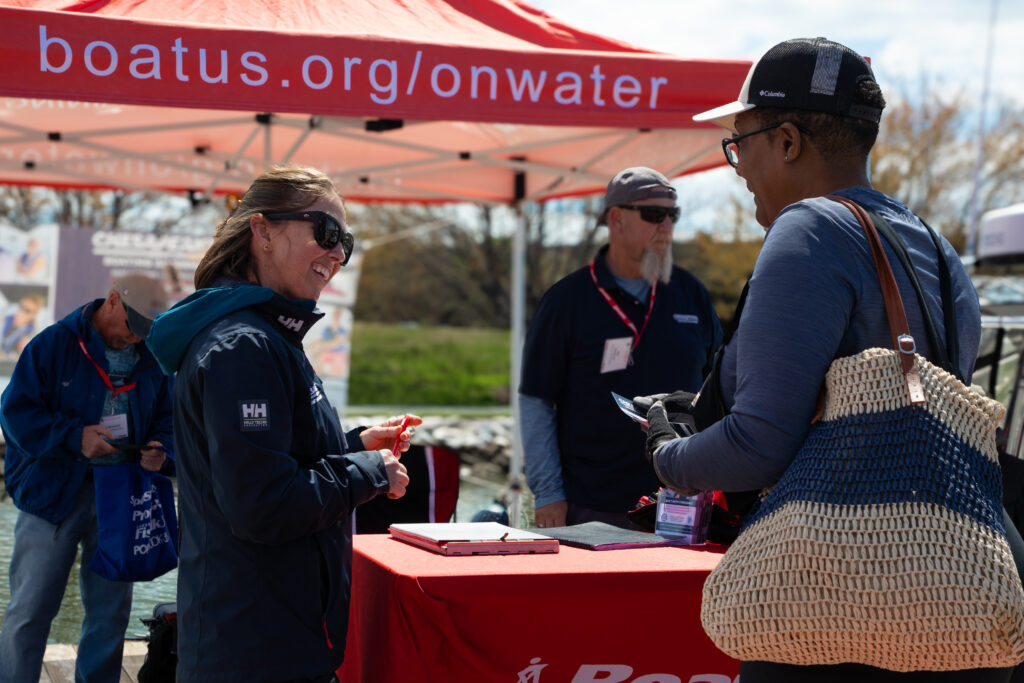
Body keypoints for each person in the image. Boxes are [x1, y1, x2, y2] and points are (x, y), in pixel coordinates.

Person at [646, 37, 1014, 682]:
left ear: (788, 141)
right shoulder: (936, 245)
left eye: (742, 143)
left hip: (839, 597)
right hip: (961, 591)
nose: (738, 166)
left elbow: (759, 443)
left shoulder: (809, 227)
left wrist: (667, 454)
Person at [144, 165, 414, 683]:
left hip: (267, 638)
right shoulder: (244, 345)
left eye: (346, 243)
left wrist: (352, 443)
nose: (337, 254)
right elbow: (262, 504)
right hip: (256, 651)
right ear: (263, 231)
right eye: (326, 233)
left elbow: (267, 457)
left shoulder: (263, 333)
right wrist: (367, 470)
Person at [519, 167, 722, 530]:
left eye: (672, 214)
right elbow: (536, 400)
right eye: (653, 214)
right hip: (591, 506)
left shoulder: (691, 294)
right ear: (617, 219)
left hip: (682, 501)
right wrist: (549, 494)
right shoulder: (567, 301)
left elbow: (718, 390)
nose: (666, 226)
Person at [0, 274, 173, 683]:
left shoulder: (153, 353)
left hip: (121, 499)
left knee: (110, 615)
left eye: (145, 331)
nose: (136, 339)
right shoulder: (53, 344)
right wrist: (73, 436)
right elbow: (15, 416)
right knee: (29, 612)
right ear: (113, 300)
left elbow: (170, 417)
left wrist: (161, 449)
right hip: (52, 496)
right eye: (132, 327)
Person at [0, 292, 44, 358]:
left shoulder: (30, 336)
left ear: (33, 315)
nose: (21, 312)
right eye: (21, 306)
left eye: (27, 311)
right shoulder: (5, 319)